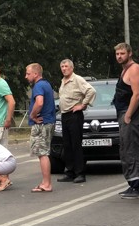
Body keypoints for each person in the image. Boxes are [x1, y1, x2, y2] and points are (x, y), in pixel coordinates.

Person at [113, 42, 139, 199]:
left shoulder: (134, 69)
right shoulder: (125, 69)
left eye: (122, 53)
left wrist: (128, 115)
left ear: (130, 53)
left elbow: (137, 94)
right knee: (126, 150)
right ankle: (133, 185)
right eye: (117, 54)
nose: (119, 56)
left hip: (130, 115)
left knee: (132, 150)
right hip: (123, 113)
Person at [57, 59, 96, 184]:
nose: (64, 68)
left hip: (74, 115)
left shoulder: (77, 79)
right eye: (62, 66)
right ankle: (70, 171)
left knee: (76, 144)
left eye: (66, 66)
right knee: (67, 145)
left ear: (72, 68)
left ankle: (80, 173)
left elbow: (91, 91)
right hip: (64, 115)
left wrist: (83, 105)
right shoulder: (63, 81)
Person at [26, 63, 56, 193]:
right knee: (43, 153)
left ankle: (47, 184)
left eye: (28, 73)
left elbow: (39, 102)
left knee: (42, 153)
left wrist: (32, 115)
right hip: (48, 122)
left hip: (41, 124)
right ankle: (45, 182)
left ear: (36, 74)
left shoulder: (38, 86)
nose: (26, 76)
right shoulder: (46, 84)